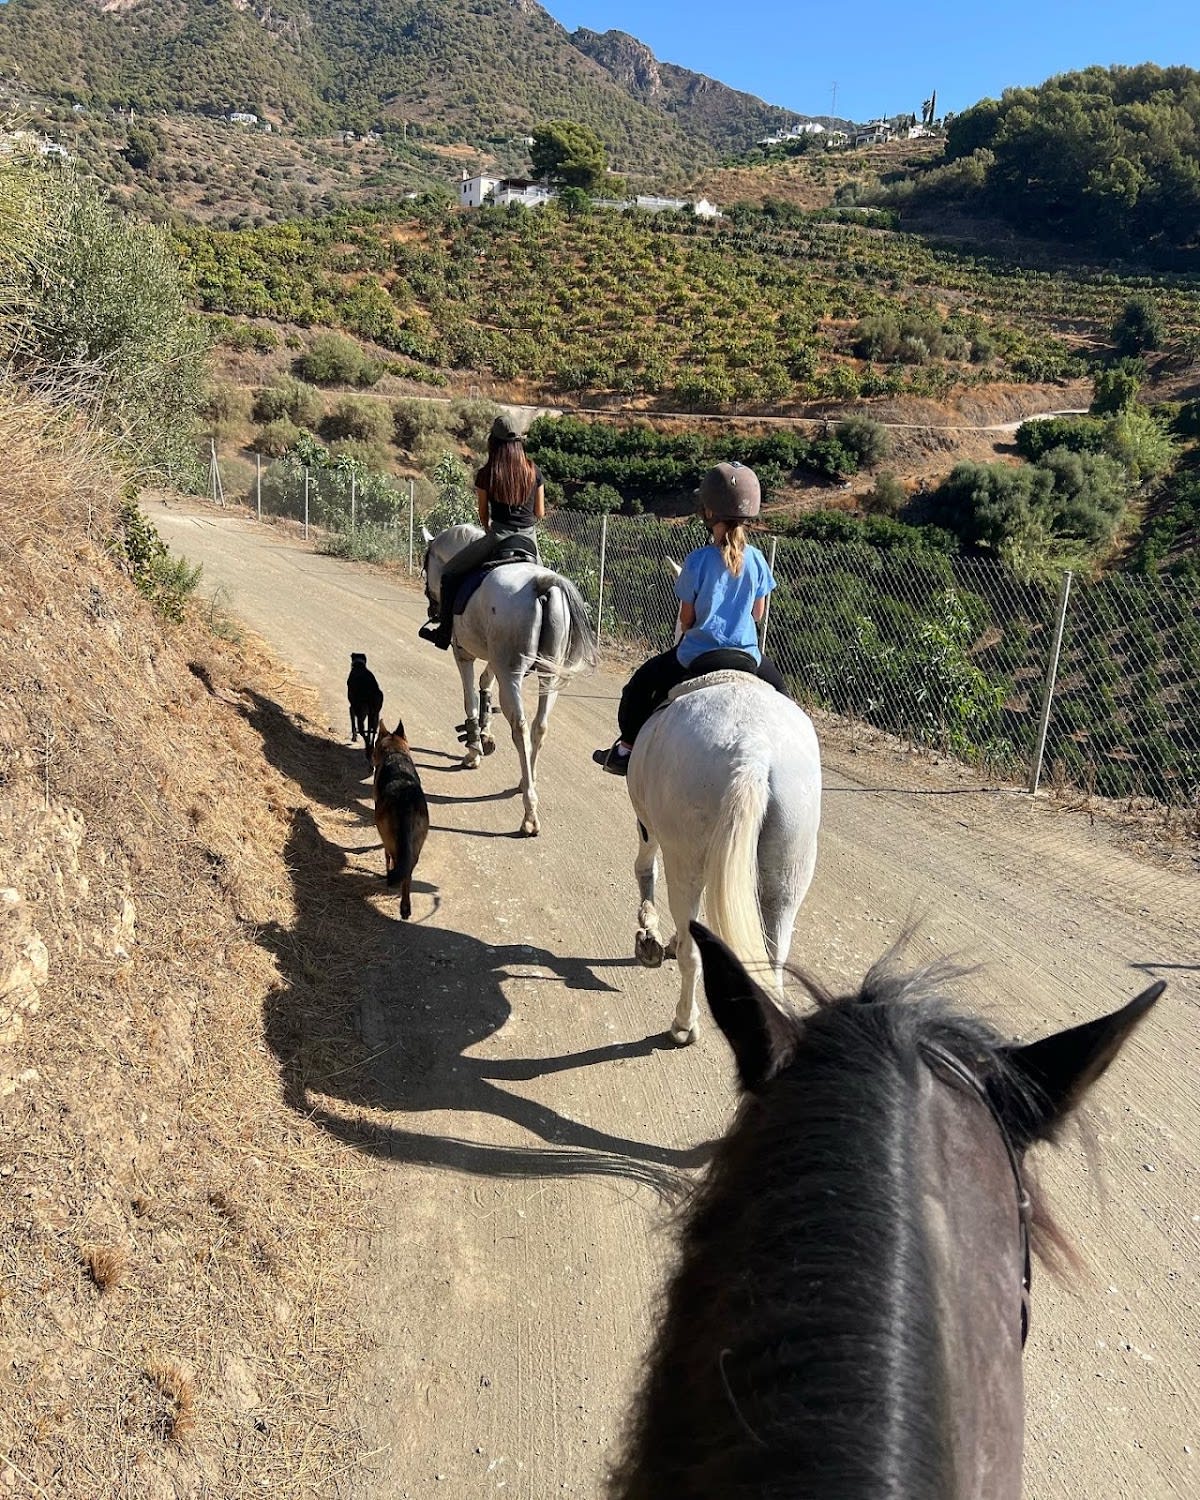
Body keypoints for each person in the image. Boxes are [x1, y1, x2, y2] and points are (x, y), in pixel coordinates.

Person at [594, 461, 787, 777]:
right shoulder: (757, 559)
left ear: (709, 513)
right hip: (748, 658)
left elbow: (686, 619)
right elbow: (758, 613)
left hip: (697, 656)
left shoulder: (697, 560)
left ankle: (625, 749)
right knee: (785, 699)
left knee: (639, 686)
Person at [419, 414, 545, 650]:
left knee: (449, 575)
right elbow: (539, 512)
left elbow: (483, 515)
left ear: (492, 442)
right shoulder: (533, 471)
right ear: (520, 442)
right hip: (530, 541)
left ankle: (444, 633)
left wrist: (490, 529)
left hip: (498, 538)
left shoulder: (487, 474)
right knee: (551, 586)